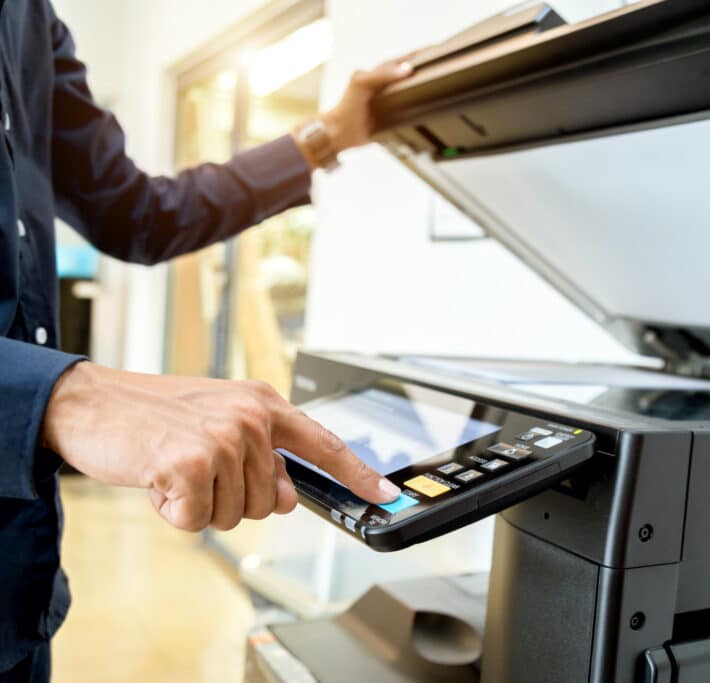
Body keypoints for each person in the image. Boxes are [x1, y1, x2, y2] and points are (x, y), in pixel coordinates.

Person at [0, 1, 411, 679]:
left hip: (18, 582)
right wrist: (61, 396)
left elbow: (139, 212)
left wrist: (324, 136)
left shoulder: (31, 19)